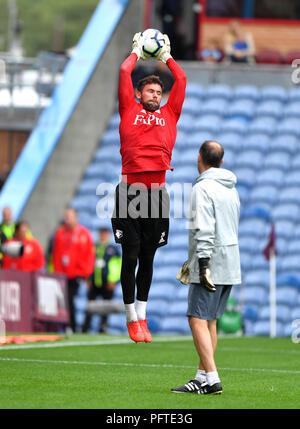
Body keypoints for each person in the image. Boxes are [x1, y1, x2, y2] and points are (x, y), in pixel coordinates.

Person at [111, 32, 186, 343]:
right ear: (139, 95)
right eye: (150, 91)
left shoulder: (170, 114)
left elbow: (180, 79)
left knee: (148, 256)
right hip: (129, 192)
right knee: (129, 255)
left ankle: (142, 316)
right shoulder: (129, 110)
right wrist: (137, 53)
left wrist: (166, 56)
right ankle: (130, 318)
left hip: (158, 195)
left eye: (158, 91)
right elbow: (123, 72)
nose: (156, 95)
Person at [171, 140, 241, 395]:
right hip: (231, 261)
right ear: (221, 162)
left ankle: (211, 378)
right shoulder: (231, 188)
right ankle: (202, 376)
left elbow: (204, 228)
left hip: (211, 262)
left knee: (196, 319)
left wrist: (202, 264)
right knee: (209, 320)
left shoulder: (202, 189)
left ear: (199, 157)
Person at [52, 208, 95, 333]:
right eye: (66, 217)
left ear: (76, 218)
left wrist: (85, 273)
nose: (67, 219)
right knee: (64, 301)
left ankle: (72, 326)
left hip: (77, 274)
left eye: (70, 217)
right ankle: (68, 325)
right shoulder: (60, 233)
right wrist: (57, 272)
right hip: (62, 274)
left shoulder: (84, 234)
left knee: (70, 299)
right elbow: (56, 254)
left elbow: (89, 255)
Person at [82, 227, 121, 333]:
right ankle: (85, 328)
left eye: (105, 233)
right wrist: (88, 278)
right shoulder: (93, 247)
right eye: (101, 233)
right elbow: (87, 263)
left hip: (107, 283)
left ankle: (103, 327)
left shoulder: (113, 249)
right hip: (94, 282)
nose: (103, 235)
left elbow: (117, 266)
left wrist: (113, 281)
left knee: (106, 307)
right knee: (90, 305)